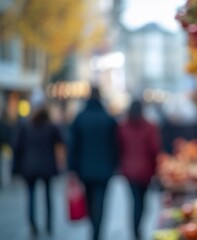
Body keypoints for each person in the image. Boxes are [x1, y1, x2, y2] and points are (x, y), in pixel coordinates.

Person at [67, 87, 119, 240]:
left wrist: (72, 168)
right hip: (105, 169)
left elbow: (73, 145)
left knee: (90, 200)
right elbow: (115, 145)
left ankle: (93, 227)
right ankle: (98, 229)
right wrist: (115, 164)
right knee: (101, 201)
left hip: (85, 169)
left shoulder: (80, 118)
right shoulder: (108, 119)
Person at [12, 104, 63, 236]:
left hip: (29, 167)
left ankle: (32, 224)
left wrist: (16, 168)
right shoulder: (51, 127)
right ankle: (49, 224)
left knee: (31, 197)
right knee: (48, 197)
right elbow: (61, 141)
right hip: (47, 166)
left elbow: (17, 147)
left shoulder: (26, 127)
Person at [117, 100, 161, 240]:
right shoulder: (149, 127)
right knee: (141, 201)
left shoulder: (123, 127)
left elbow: (119, 148)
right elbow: (154, 149)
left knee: (135, 200)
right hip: (145, 170)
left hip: (129, 170)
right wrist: (156, 167)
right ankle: (137, 229)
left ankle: (135, 229)